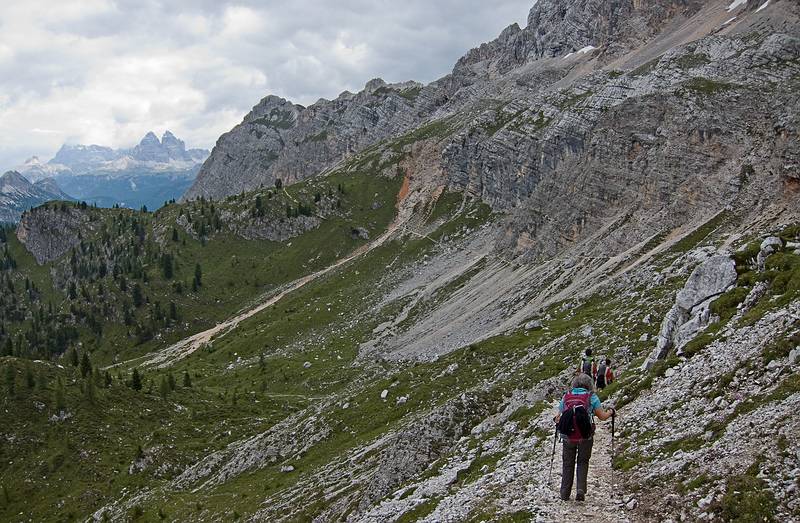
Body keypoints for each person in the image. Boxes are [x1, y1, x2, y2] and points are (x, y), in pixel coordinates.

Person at [554, 373, 615, 501]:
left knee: (567, 463)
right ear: (589, 384)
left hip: (568, 436)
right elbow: (602, 416)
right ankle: (580, 490)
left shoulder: (567, 396)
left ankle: (564, 493)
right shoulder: (591, 397)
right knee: (583, 461)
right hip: (585, 435)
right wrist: (611, 412)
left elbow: (558, 417)